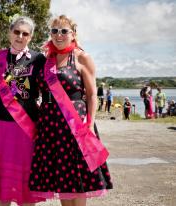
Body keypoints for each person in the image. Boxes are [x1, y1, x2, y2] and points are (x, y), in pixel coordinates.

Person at [29, 15, 112, 206]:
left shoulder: (82, 57)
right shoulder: (44, 60)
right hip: (50, 126)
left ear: (73, 34)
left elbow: (92, 96)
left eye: (64, 31)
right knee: (63, 182)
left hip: (76, 124)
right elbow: (27, 87)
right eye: (54, 31)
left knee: (79, 181)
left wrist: (90, 126)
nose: (59, 35)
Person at [0, 16, 46, 206]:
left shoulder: (39, 59)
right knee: (2, 175)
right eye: (16, 32)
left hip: (26, 126)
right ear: (10, 33)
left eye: (25, 33)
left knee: (25, 175)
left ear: (31, 37)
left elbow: (50, 90)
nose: (20, 36)